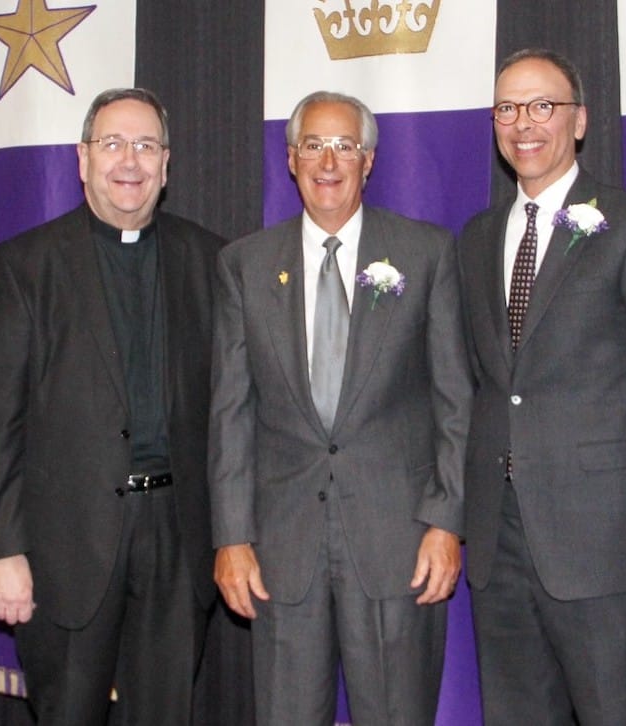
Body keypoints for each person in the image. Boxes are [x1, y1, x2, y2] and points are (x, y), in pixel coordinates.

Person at [0, 88, 224, 725]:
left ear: (167, 164)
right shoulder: (24, 266)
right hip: (65, 549)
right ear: (81, 159)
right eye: (112, 144)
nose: (128, 160)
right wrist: (3, 551)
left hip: (180, 538)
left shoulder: (212, 261)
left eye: (145, 145)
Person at [209, 90, 472, 725]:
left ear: (370, 160)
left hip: (398, 545)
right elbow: (230, 412)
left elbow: (455, 399)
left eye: (345, 146)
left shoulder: (426, 253)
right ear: (291, 158)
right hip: (281, 552)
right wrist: (232, 537)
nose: (329, 162)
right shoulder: (243, 265)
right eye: (314, 146)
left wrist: (446, 521)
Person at [456, 49, 626, 725]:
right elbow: (480, 383)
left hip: (603, 542)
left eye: (542, 106)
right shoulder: (475, 239)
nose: (524, 123)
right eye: (507, 108)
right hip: (499, 543)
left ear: (579, 121)